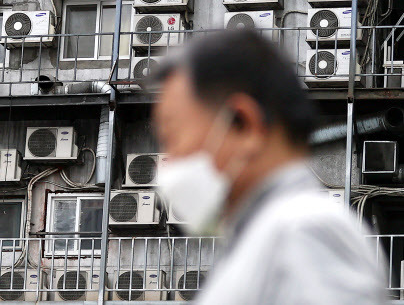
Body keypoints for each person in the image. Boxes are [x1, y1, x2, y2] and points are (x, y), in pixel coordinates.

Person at [151, 30, 386, 304]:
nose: (167, 158)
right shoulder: (267, 234)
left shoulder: (304, 231)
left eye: (172, 136)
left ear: (243, 124)